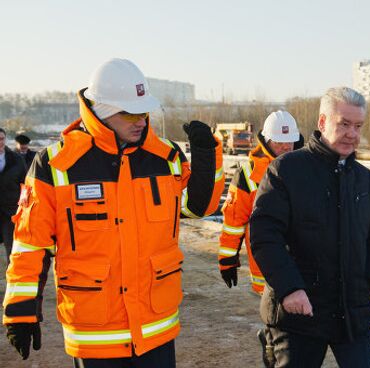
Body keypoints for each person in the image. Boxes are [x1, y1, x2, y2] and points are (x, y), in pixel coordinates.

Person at [2, 58, 225, 367]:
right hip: (95, 333)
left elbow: (197, 207)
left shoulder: (165, 158)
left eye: (144, 111)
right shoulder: (55, 165)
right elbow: (30, 243)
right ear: (103, 110)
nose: (141, 121)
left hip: (154, 328)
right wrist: (20, 308)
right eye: (129, 113)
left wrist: (207, 158)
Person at [249, 87, 370, 368]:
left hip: (352, 312)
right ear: (322, 122)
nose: (352, 133)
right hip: (298, 313)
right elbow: (265, 235)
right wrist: (290, 289)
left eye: (358, 126)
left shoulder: (364, 180)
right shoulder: (286, 170)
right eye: (344, 124)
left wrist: (369, 282)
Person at [218, 110, 302, 295]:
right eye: (279, 142)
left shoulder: (306, 168)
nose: (286, 147)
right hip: (266, 271)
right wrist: (228, 258)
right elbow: (234, 221)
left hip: (304, 268)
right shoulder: (248, 174)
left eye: (290, 141)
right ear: (266, 141)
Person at [0, 128, 27, 264]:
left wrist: (23, 205)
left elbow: (26, 183)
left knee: (11, 246)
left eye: (2, 139)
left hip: (10, 211)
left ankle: (12, 278)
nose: (0, 142)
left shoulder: (16, 159)